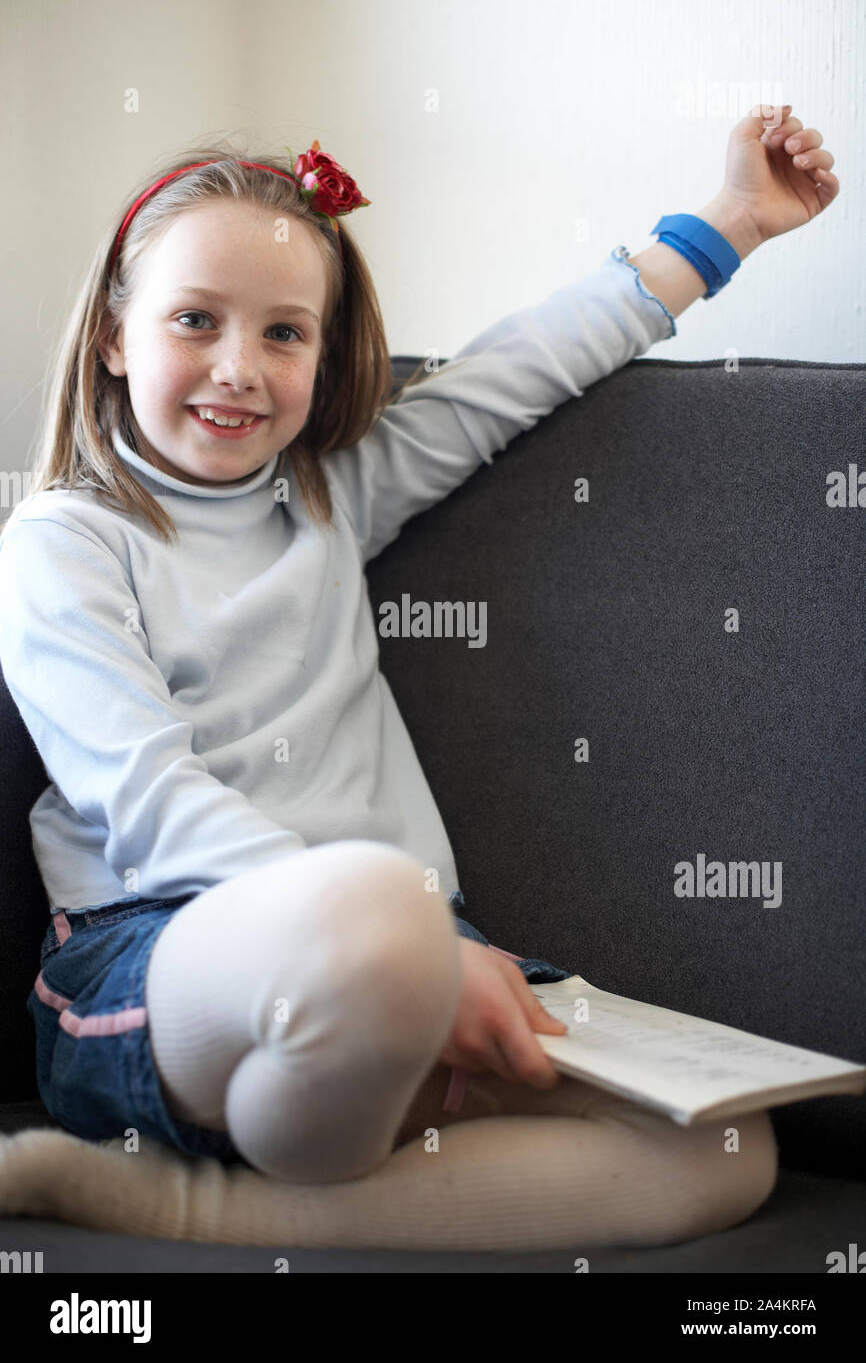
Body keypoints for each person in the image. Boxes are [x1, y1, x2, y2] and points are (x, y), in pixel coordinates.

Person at [0, 108, 837, 1249]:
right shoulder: (66, 537)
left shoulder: (331, 503)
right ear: (112, 335)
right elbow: (144, 801)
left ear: (323, 353)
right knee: (373, 908)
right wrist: (400, 944)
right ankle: (358, 1006)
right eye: (195, 320)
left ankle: (209, 1206)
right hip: (172, 948)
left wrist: (731, 220)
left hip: (408, 965)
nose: (239, 369)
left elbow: (516, 370)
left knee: (728, 1149)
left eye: (284, 334)